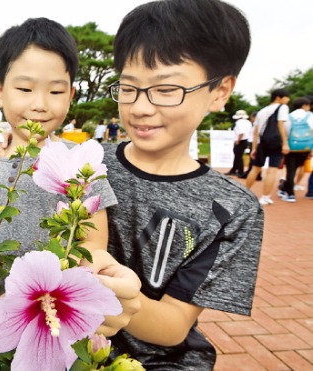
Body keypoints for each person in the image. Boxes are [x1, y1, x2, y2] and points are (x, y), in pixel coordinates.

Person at [102, 0, 263, 368]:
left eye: (166, 89)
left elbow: (174, 325)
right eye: (128, 87)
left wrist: (115, 300)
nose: (140, 107)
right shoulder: (86, 165)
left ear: (220, 91)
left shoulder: (232, 208)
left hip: (160, 360)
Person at [0, 17, 142, 337]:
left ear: (71, 95)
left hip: (57, 314)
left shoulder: (82, 163)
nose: (39, 104)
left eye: (55, 91)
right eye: (25, 88)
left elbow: (93, 247)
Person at [244, 88, 291, 205]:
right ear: (278, 97)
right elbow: (281, 124)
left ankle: (244, 193)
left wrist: (254, 147)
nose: (288, 100)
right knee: (272, 170)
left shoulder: (262, 111)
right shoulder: (283, 107)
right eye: (286, 97)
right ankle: (265, 197)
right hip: (276, 142)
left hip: (262, 142)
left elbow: (256, 132)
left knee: (255, 169)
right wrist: (285, 143)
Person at [277, 97, 313, 202]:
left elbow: (286, 132)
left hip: (292, 147)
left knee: (290, 170)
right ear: (304, 105)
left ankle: (290, 194)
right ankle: (285, 188)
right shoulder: (310, 116)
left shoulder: (289, 116)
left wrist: (285, 144)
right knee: (298, 168)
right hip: (306, 147)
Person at [225, 109, 252, 177]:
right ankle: (234, 169)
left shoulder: (239, 122)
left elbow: (241, 132)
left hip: (240, 140)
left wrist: (238, 140)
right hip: (246, 140)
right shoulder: (248, 122)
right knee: (238, 156)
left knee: (238, 156)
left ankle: (240, 171)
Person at [239, 110, 259, 179]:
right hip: (252, 142)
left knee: (253, 159)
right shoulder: (253, 125)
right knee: (254, 159)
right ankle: (256, 174)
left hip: (254, 142)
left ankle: (252, 173)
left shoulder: (257, 125)